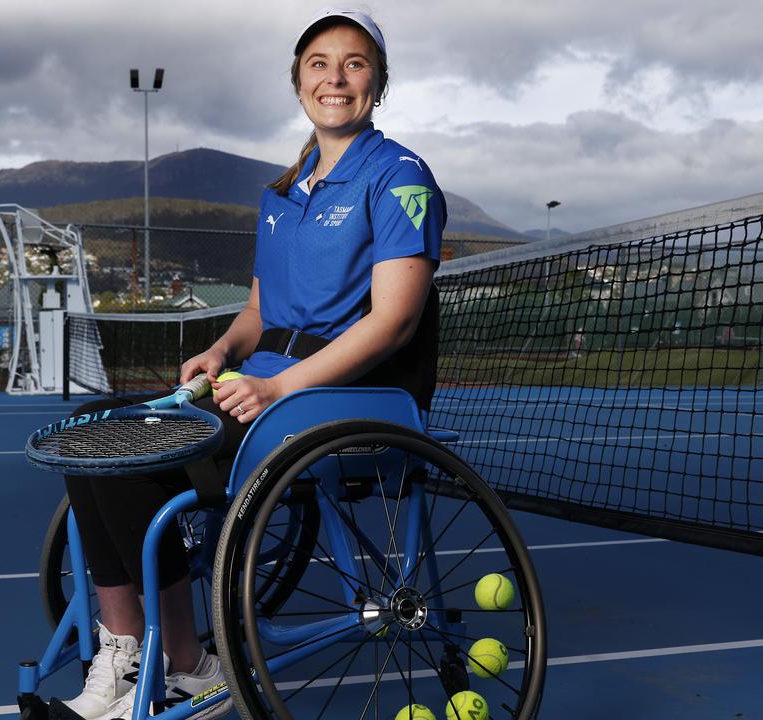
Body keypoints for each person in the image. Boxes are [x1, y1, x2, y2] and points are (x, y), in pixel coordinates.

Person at [60, 8, 446, 719]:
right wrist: (223, 350)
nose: (335, 77)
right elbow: (259, 311)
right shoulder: (281, 194)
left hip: (342, 398)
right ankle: (123, 652)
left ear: (378, 83)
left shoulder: (399, 178)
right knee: (91, 428)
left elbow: (394, 322)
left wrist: (280, 386)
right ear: (298, 80)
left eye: (355, 63)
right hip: (264, 382)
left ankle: (190, 666)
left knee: (136, 451)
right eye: (319, 63)